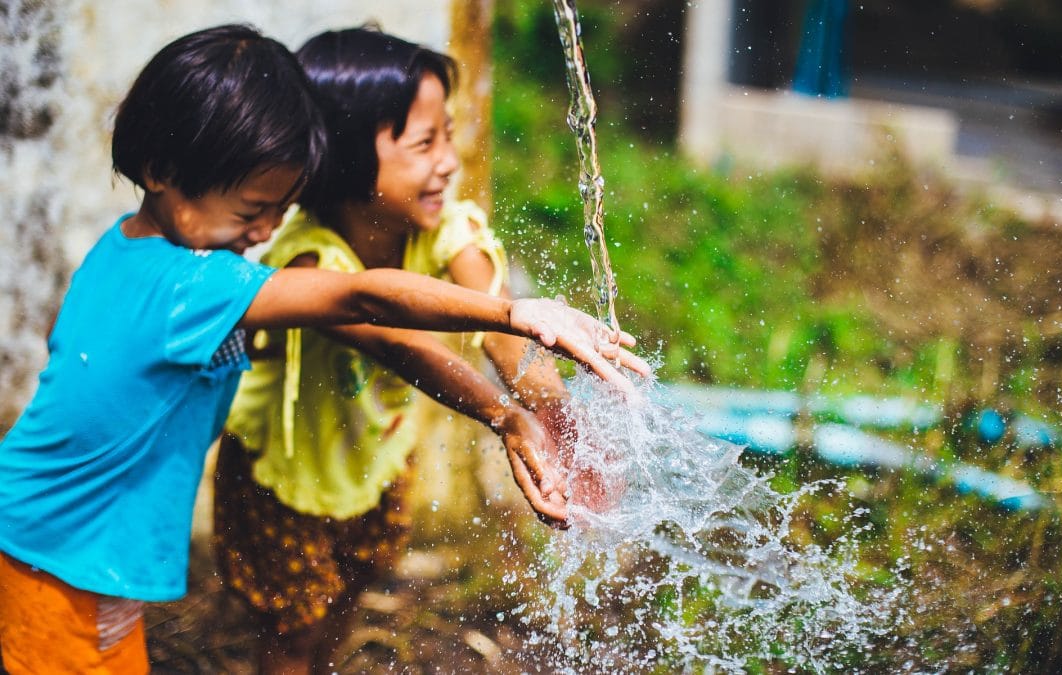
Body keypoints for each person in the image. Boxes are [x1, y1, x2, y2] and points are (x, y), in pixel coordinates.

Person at [0, 24, 647, 675]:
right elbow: (363, 299)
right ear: (163, 172)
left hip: (76, 547)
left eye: (277, 210)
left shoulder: (127, 252)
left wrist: (529, 409)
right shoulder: (190, 284)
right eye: (252, 209)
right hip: (54, 553)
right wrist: (512, 312)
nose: (262, 232)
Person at [213, 25, 623, 674]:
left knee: (348, 596)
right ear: (347, 158)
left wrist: (560, 419)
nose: (449, 161)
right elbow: (403, 344)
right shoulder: (310, 261)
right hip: (285, 474)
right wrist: (504, 417)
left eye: (449, 135)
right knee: (292, 632)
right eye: (424, 142)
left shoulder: (446, 227)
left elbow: (503, 335)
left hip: (377, 457)